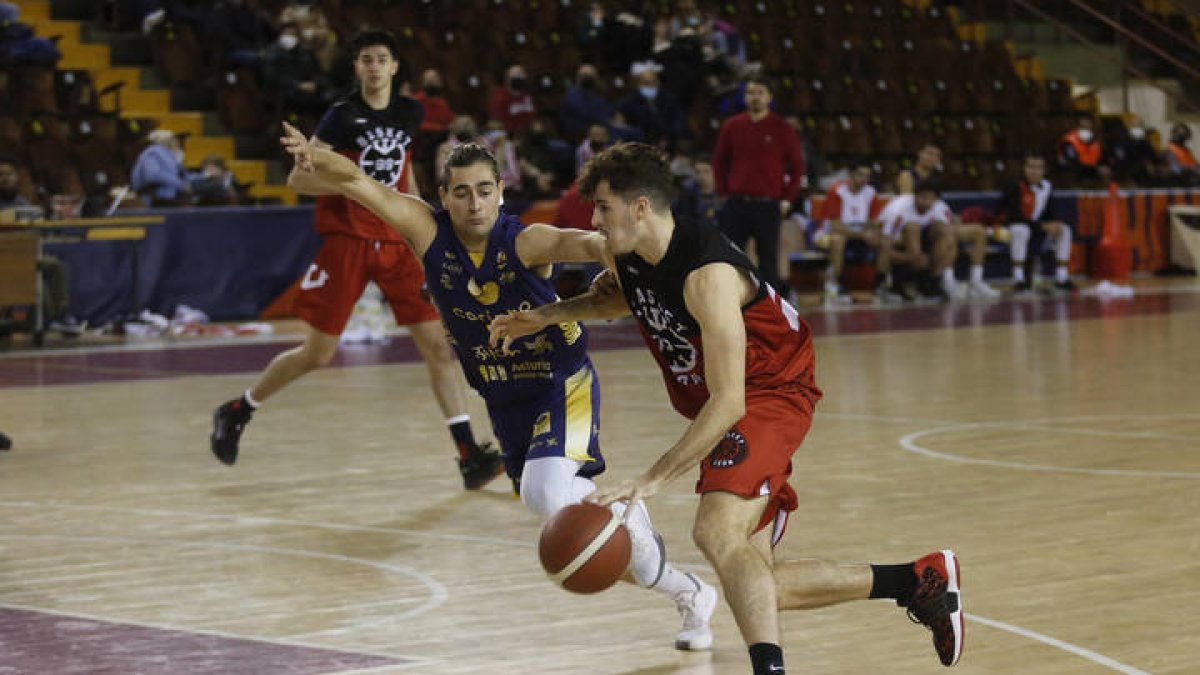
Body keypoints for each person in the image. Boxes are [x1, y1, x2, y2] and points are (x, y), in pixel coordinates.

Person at [488, 143, 964, 674]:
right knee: (755, 582)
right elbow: (625, 301)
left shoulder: (705, 274)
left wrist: (650, 480)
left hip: (769, 392)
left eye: (602, 206)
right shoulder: (632, 253)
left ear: (640, 206)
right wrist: (545, 315)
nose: (594, 219)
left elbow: (730, 400)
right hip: (736, 398)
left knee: (713, 531)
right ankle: (920, 580)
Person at [278, 125, 720, 651]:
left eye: (485, 190)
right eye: (460, 192)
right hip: (502, 397)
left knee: (546, 493)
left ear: (501, 192)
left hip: (561, 382)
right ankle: (685, 589)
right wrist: (317, 155)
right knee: (568, 521)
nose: (473, 202)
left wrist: (616, 269)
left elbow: (589, 243)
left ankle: (636, 519)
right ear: (443, 197)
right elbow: (357, 182)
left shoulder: (524, 240)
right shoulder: (427, 232)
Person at [210, 30, 503, 490]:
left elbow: (404, 174)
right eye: (365, 58)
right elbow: (299, 182)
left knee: (438, 348)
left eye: (381, 58)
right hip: (348, 239)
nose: (373, 66)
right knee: (318, 354)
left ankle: (469, 455)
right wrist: (353, 184)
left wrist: (426, 227)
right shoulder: (341, 115)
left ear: (394, 67)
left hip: (394, 240)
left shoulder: (410, 112)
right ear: (356, 67)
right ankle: (239, 408)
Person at [712, 75, 806, 295]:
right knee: (729, 257)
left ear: (769, 97)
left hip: (768, 205)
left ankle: (770, 308)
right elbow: (718, 161)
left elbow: (798, 167)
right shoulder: (732, 126)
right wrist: (723, 192)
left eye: (760, 93)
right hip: (736, 203)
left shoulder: (782, 128)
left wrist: (787, 199)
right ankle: (730, 301)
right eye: (751, 93)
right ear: (745, 97)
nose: (755, 98)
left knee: (768, 260)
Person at [0, 157, 83, 335]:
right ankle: (48, 320)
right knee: (35, 275)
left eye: (9, 174)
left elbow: (37, 228)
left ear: (16, 177)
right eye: (1, 175)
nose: (5, 178)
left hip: (26, 254)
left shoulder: (22, 203)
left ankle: (60, 315)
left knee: (53, 265)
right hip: (3, 257)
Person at [879, 180, 999, 301]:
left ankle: (968, 281)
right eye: (923, 197)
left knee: (973, 232)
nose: (926, 202)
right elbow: (884, 245)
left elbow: (953, 228)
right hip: (899, 241)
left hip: (926, 241)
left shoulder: (939, 207)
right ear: (915, 196)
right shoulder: (899, 210)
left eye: (930, 198)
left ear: (936, 199)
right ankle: (885, 284)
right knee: (912, 227)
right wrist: (912, 257)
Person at [814, 159, 889, 305]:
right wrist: (863, 233)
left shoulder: (870, 192)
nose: (864, 180)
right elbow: (835, 225)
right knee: (838, 240)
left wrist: (872, 231)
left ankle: (880, 284)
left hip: (858, 233)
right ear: (851, 175)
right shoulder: (837, 191)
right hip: (827, 233)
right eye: (860, 175)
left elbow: (873, 221)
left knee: (885, 240)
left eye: (867, 176)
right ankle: (834, 284)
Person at [998, 152, 1076, 293]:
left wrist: (1054, 223)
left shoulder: (1047, 187)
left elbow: (1052, 210)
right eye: (1031, 167)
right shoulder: (1013, 186)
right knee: (1021, 230)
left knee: (1064, 230)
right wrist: (1041, 226)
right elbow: (1013, 217)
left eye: (1039, 168)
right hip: (1006, 230)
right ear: (1024, 168)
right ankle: (1018, 279)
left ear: (1044, 170)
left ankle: (1062, 277)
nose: (1035, 171)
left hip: (1035, 229)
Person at [130, 129, 191, 206]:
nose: (177, 142)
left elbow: (182, 175)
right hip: (156, 199)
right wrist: (181, 184)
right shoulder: (153, 152)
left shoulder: (171, 156)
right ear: (164, 141)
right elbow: (153, 175)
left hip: (171, 199)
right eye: (173, 139)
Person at [1165, 122, 1199, 187]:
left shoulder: (1185, 150)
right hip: (1181, 182)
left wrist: (1196, 168)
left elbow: (1194, 163)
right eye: (1182, 136)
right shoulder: (1170, 150)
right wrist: (1191, 168)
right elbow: (1176, 169)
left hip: (1191, 178)